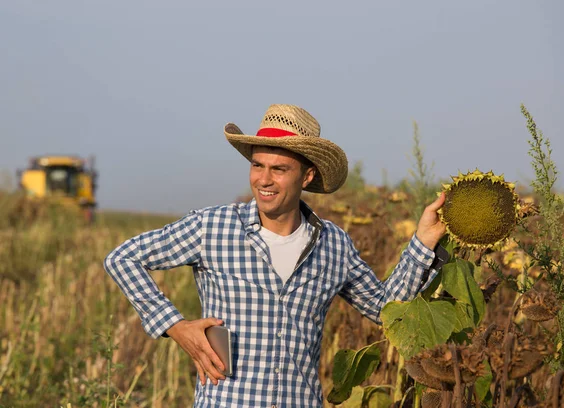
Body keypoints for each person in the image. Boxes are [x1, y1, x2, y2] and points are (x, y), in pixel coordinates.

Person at [104, 104, 448, 408]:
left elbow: (385, 308)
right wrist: (175, 327)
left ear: (307, 175)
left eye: (279, 169)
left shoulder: (333, 245)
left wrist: (424, 241)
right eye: (257, 165)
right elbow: (123, 258)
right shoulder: (213, 227)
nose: (263, 180)